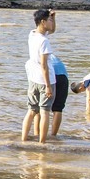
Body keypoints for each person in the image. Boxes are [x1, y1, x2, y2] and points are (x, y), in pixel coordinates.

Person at [21, 8, 55, 144]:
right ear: (42, 22)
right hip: (44, 80)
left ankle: (23, 139)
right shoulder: (44, 41)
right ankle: (42, 143)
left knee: (31, 111)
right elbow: (44, 65)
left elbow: (51, 30)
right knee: (45, 112)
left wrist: (53, 17)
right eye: (49, 20)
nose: (51, 22)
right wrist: (48, 86)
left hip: (33, 78)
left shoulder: (32, 34)